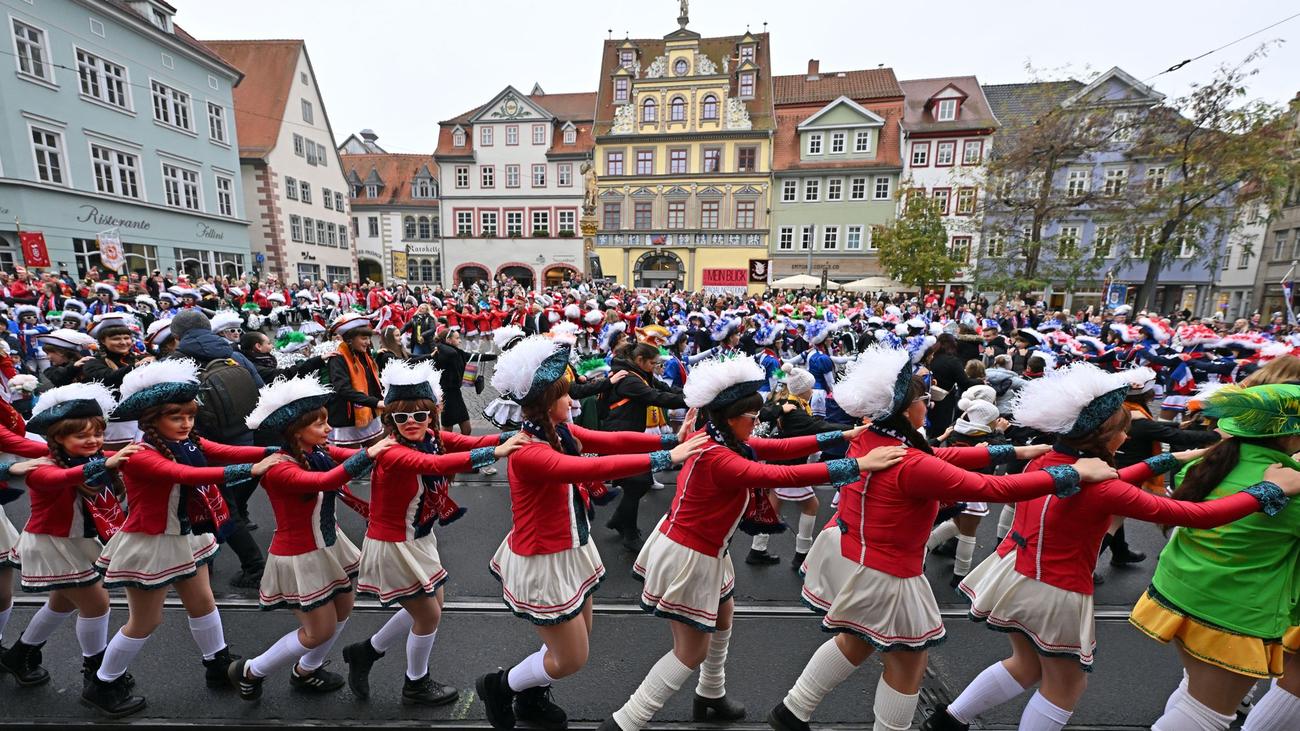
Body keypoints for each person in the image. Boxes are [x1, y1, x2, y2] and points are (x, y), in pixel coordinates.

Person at [922, 365, 1300, 731]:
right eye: (1124, 431)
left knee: (1025, 664)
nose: (1127, 437)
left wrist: (1173, 458)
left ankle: (949, 720)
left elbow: (1111, 480)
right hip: (1054, 589)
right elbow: (1196, 515)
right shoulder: (1100, 485)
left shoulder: (1051, 461)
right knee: (1066, 685)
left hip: (1013, 572)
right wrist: (1268, 490)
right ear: (1104, 435)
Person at [768, 345, 1118, 731]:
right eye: (924, 400)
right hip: (886, 571)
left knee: (856, 639)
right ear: (906, 410)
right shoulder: (910, 462)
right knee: (908, 661)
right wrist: (1072, 473)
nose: (930, 405)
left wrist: (1017, 450)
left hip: (852, 551)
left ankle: (792, 710)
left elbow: (938, 455)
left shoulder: (873, 437)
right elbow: (991, 488)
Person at [598, 357, 903, 731]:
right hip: (691, 553)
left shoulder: (719, 438)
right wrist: (857, 465)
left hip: (705, 547)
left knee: (723, 616)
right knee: (690, 651)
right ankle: (625, 721)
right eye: (752, 416)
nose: (756, 423)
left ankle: (711, 693)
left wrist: (841, 436)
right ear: (731, 417)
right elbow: (777, 473)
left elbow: (774, 449)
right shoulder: (719, 456)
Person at [475, 336, 707, 731]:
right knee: (571, 658)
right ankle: (501, 685)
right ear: (547, 403)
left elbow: (612, 440)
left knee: (572, 643)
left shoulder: (560, 431)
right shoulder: (529, 450)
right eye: (565, 395)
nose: (573, 400)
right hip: (542, 558)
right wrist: (666, 457)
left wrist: (672, 438)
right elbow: (589, 468)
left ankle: (530, 695)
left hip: (571, 547)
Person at [85, 359, 285, 717]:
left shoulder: (186, 442)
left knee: (203, 602)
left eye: (191, 416)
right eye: (176, 417)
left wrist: (275, 452)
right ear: (151, 420)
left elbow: (221, 450)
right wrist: (251, 469)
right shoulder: (141, 454)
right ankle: (103, 683)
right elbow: (183, 475)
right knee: (145, 621)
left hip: (185, 536)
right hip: (151, 543)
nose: (186, 423)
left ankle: (217, 664)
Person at [340, 360, 528, 706]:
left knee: (431, 606)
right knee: (428, 614)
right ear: (390, 421)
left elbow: (471, 441)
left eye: (420, 415)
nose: (412, 422)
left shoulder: (431, 438)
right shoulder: (392, 451)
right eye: (402, 417)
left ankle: (366, 651)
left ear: (431, 415)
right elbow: (434, 465)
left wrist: (517, 436)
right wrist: (495, 453)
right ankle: (415, 684)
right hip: (393, 543)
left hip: (419, 536)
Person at [1130, 383, 1300, 731]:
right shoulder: (1290, 488)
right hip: (1231, 612)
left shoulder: (1210, 463)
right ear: (1289, 436)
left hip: (1181, 592)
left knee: (1194, 696)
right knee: (1206, 715)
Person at [229, 377, 391, 701]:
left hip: (328, 544)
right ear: (296, 431)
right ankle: (250, 671)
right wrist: (370, 454)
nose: (329, 428)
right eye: (320, 423)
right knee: (318, 630)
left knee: (343, 608)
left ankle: (306, 670)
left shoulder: (316, 451)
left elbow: (344, 460)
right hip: (300, 554)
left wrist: (390, 446)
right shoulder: (280, 468)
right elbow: (328, 480)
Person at [0, 384, 138, 698]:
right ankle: (97, 673)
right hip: (54, 544)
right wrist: (105, 463)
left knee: (61, 603)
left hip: (80, 541)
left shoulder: (93, 457)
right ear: (58, 438)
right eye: (81, 435)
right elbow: (60, 478)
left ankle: (19, 655)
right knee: (97, 604)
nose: (93, 441)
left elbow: (111, 459)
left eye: (98, 434)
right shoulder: (44, 467)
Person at [749, 367, 849, 568]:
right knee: (811, 505)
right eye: (809, 387)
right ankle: (801, 555)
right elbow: (818, 428)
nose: (812, 390)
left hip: (782, 463)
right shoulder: (794, 409)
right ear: (802, 390)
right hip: (790, 466)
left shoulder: (791, 403)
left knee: (772, 507)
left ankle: (757, 550)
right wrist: (851, 430)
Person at [603, 342, 688, 552]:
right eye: (653, 363)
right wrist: (690, 400)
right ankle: (629, 533)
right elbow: (656, 397)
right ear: (640, 360)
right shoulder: (629, 379)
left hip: (632, 434)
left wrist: (691, 394)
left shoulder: (641, 373)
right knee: (637, 483)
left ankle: (619, 520)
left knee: (639, 483)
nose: (656, 367)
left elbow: (665, 389)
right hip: (620, 436)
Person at [327, 313, 385, 449]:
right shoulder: (337, 358)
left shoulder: (365, 354)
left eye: (369, 338)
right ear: (349, 339)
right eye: (364, 338)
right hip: (347, 417)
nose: (368, 342)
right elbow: (343, 390)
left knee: (377, 452)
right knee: (352, 459)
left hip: (370, 411)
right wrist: (376, 402)